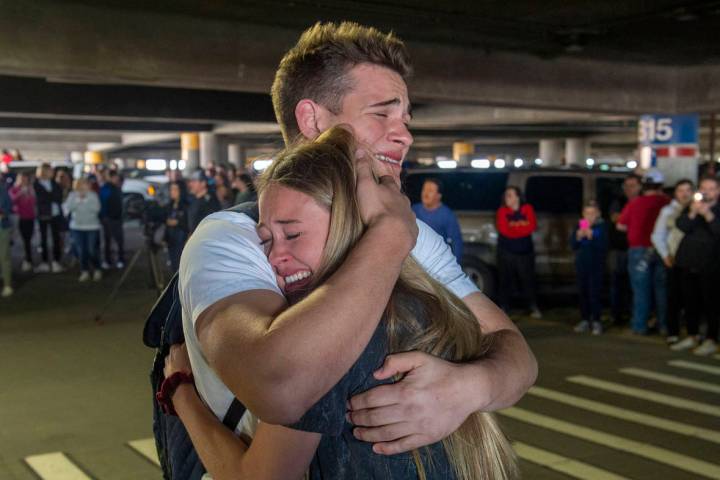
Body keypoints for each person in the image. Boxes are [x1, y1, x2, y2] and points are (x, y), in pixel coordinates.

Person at [177, 21, 536, 466]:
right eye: (381, 114)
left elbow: (513, 349)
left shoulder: (414, 234)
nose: (404, 134)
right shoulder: (232, 237)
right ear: (312, 120)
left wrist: (467, 387)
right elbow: (279, 387)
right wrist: (389, 235)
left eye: (405, 119)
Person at [165, 127, 518, 479]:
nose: (275, 257)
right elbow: (510, 347)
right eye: (267, 240)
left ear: (348, 222)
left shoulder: (330, 331)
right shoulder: (426, 303)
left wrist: (180, 391)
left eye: (293, 234)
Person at [617, 169, 670, 335]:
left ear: (643, 185)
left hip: (639, 250)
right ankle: (664, 326)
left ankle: (639, 326)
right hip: (663, 250)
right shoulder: (667, 202)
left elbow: (620, 225)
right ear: (661, 185)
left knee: (641, 291)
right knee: (662, 290)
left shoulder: (635, 203)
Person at [673, 176, 720, 356]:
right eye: (703, 188)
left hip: (711, 265)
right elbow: (681, 225)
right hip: (688, 262)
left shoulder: (717, 210)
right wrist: (693, 212)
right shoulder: (691, 206)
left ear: (717, 191)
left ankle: (711, 338)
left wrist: (708, 214)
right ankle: (692, 335)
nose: (707, 191)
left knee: (711, 304)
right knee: (690, 302)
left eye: (711, 188)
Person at [651, 179, 694, 345]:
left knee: (692, 298)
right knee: (673, 298)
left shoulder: (698, 210)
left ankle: (693, 332)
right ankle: (672, 331)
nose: (684, 194)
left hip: (693, 260)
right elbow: (657, 235)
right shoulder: (668, 211)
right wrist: (665, 255)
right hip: (674, 259)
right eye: (680, 190)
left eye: (688, 190)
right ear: (675, 193)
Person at [495, 185, 541, 318]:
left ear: (518, 197)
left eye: (510, 195)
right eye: (506, 195)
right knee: (505, 280)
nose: (507, 197)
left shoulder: (527, 209)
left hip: (525, 252)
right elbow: (504, 230)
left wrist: (514, 228)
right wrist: (521, 227)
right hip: (506, 251)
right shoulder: (502, 211)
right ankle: (504, 307)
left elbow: (531, 226)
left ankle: (532, 306)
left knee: (528, 280)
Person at [608, 174, 642, 325]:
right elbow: (616, 218)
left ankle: (633, 315)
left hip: (638, 248)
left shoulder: (642, 201)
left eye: (632, 185)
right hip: (619, 249)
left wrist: (627, 219)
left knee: (635, 285)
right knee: (617, 283)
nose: (629, 189)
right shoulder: (618, 201)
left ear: (640, 187)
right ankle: (617, 315)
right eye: (626, 186)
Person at [571, 201, 608, 335]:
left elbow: (603, 245)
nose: (589, 216)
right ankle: (585, 319)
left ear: (598, 214)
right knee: (583, 293)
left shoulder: (601, 227)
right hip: (582, 265)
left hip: (596, 266)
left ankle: (597, 321)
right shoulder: (581, 225)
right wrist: (578, 236)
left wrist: (592, 236)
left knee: (595, 293)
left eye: (592, 213)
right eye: (587, 213)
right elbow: (573, 245)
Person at [411, 178, 463, 264]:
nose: (426, 194)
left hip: (436, 262)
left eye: (430, 191)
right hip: (416, 261)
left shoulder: (447, 215)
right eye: (424, 189)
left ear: (439, 196)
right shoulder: (413, 210)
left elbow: (456, 242)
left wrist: (454, 266)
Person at [63, 178, 102, 282]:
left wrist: (85, 201)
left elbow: (96, 209)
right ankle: (84, 271)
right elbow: (68, 208)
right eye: (81, 184)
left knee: (92, 250)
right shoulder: (72, 195)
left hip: (92, 227)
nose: (84, 186)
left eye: (86, 184)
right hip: (77, 227)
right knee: (81, 251)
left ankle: (97, 269)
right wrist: (78, 201)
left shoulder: (93, 195)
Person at [34, 163, 65, 273]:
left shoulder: (55, 184)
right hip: (43, 215)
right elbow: (41, 199)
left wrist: (49, 197)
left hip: (55, 214)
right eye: (50, 170)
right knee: (43, 239)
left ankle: (56, 261)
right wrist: (51, 196)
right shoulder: (36, 184)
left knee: (56, 238)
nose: (52, 172)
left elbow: (59, 197)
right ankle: (45, 262)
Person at [9, 172, 37, 272]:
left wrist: (30, 193)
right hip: (19, 218)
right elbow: (12, 201)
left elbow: (33, 203)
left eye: (26, 179)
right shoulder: (14, 189)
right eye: (22, 179)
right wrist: (21, 193)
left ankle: (28, 260)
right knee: (21, 240)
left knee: (28, 240)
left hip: (30, 217)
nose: (24, 181)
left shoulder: (31, 189)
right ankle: (25, 260)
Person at [99, 170, 125, 269]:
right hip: (109, 219)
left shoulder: (117, 188)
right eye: (115, 177)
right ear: (111, 177)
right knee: (108, 240)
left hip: (117, 218)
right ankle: (107, 260)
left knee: (119, 241)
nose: (117, 179)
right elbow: (103, 203)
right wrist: (104, 217)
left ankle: (120, 259)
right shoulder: (106, 188)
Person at [164, 181, 189, 273]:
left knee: (180, 262)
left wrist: (177, 222)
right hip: (171, 238)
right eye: (171, 189)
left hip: (181, 238)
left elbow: (188, 222)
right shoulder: (170, 205)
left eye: (175, 189)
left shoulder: (186, 205)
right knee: (173, 263)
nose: (172, 192)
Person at [186, 170, 221, 234]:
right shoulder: (194, 199)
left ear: (203, 183)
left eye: (194, 181)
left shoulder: (210, 201)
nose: (190, 184)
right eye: (190, 181)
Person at [0, 181, 12, 297]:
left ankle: (7, 285)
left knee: (4, 256)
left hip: (2, 228)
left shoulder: (2, 190)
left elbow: (8, 206)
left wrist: (2, 213)